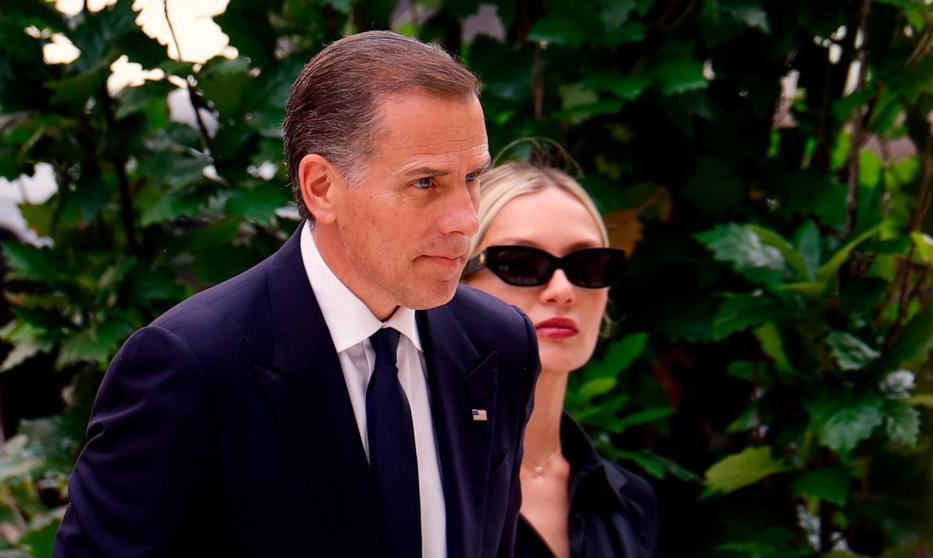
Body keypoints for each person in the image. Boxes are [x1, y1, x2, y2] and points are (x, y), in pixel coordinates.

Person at [54, 31, 540, 558]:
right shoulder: (191, 366)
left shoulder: (498, 343)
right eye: (425, 183)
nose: (466, 220)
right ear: (321, 188)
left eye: (472, 177)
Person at [462, 161, 658, 558]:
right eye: (520, 264)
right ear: (454, 279)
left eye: (587, 265)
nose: (562, 290)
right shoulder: (408, 480)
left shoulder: (630, 501)